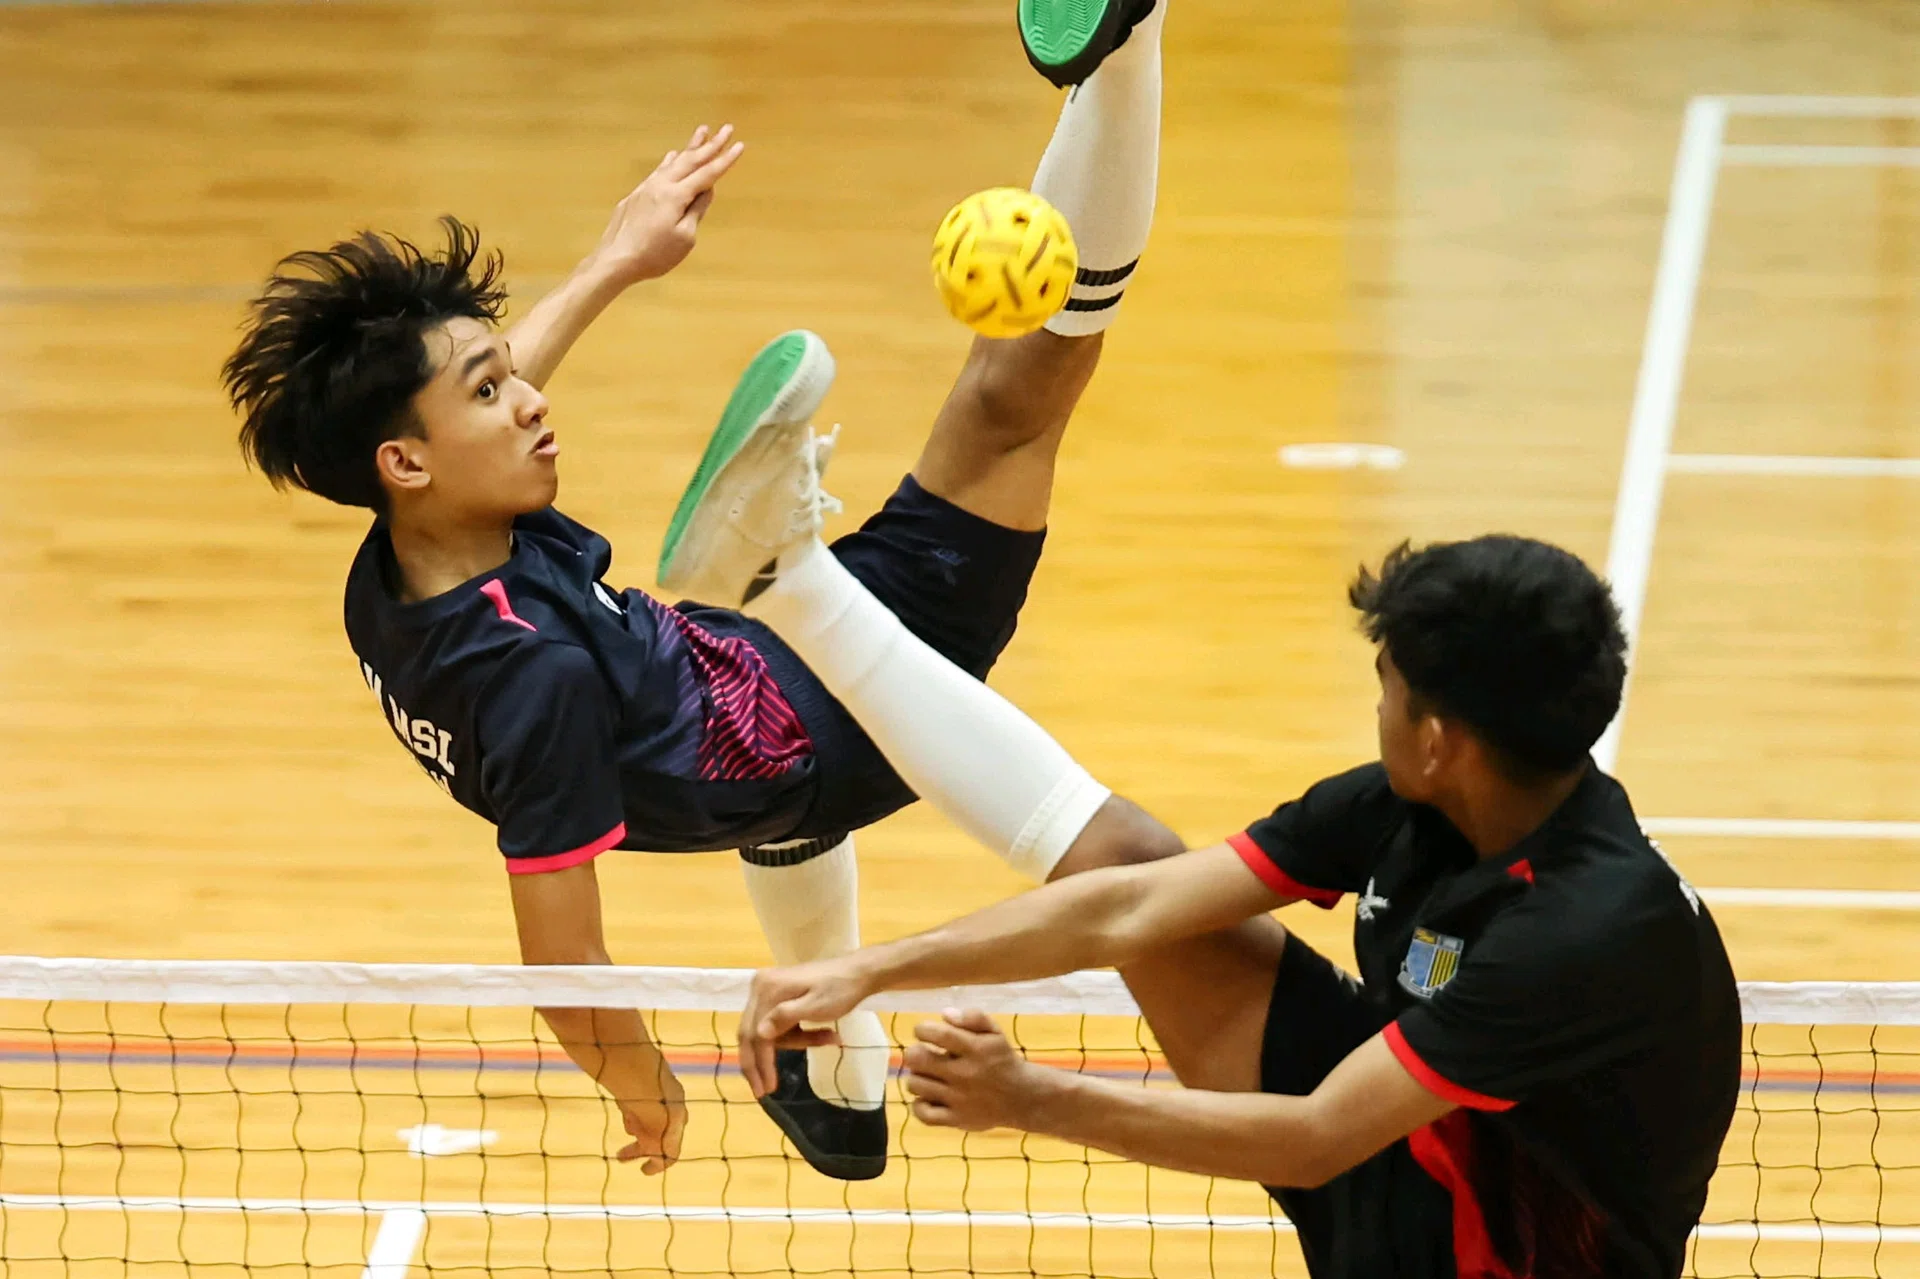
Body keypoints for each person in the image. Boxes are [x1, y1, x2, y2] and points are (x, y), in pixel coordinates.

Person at [219, 0, 1169, 1179]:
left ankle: (835, 1079)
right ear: (406, 460)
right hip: (820, 732)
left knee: (999, 403)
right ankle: (1133, 40)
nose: (527, 399)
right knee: (1018, 388)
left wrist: (618, 259)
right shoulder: (535, 679)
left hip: (717, 686)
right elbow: (567, 972)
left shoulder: (405, 559)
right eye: (488, 391)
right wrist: (648, 1093)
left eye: (503, 373)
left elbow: (492, 396)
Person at [655, 420, 1742, 1274]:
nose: (1377, 704)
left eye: (1388, 685)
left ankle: (797, 580)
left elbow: (1317, 1137)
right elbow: (1131, 906)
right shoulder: (1425, 803)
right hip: (1423, 1131)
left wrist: (1029, 1097)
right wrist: (868, 969)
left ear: (1440, 736)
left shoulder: (1579, 930)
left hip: (1493, 1250)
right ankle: (793, 581)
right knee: (1125, 855)